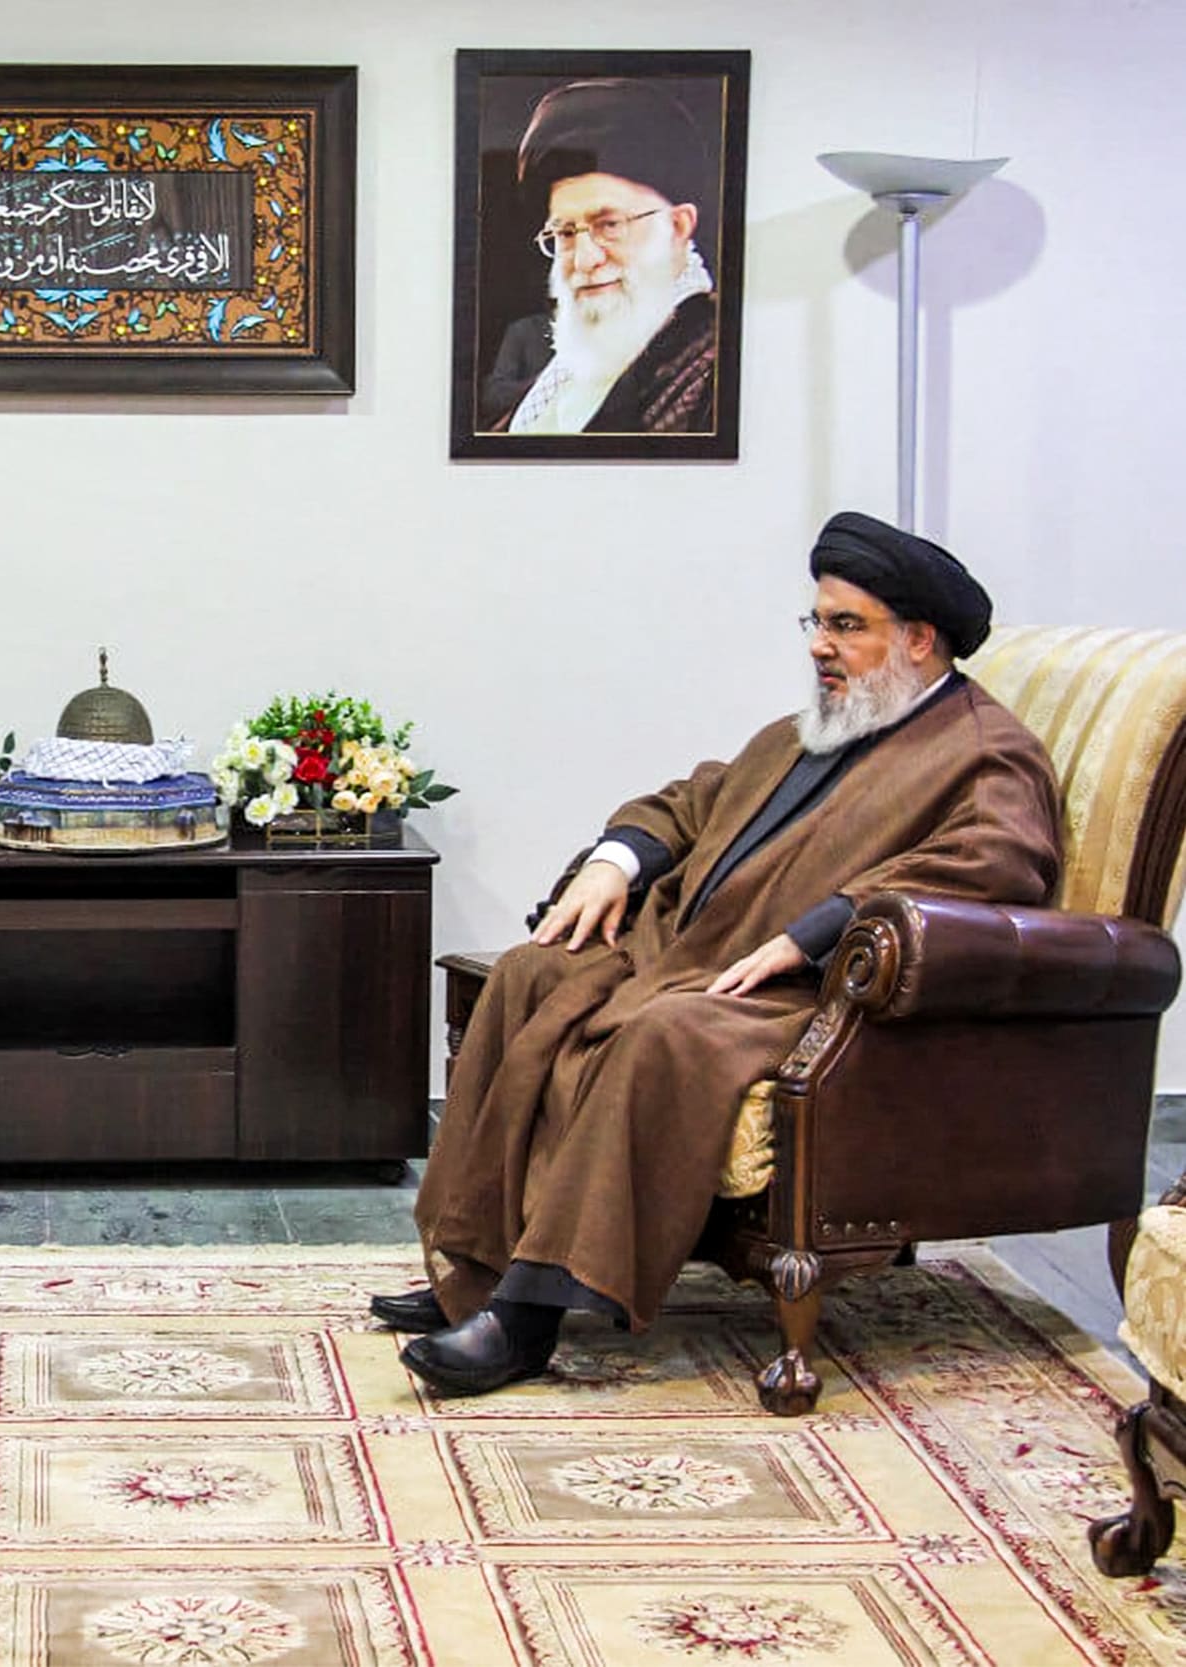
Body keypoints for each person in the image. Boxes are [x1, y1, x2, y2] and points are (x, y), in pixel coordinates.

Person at [376, 513, 1062, 1396]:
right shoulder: (811, 729)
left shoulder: (985, 752)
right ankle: (469, 1269)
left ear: (921, 639)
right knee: (526, 972)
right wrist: (614, 862)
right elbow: (689, 801)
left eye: (845, 625)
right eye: (815, 621)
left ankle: (525, 1318)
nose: (819, 645)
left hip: (809, 996)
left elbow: (997, 864)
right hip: (682, 950)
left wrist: (812, 932)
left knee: (664, 1037)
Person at [493, 78, 720, 436]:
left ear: (677, 227)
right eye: (566, 233)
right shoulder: (563, 374)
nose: (584, 260)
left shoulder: (713, 366)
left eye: (610, 225)